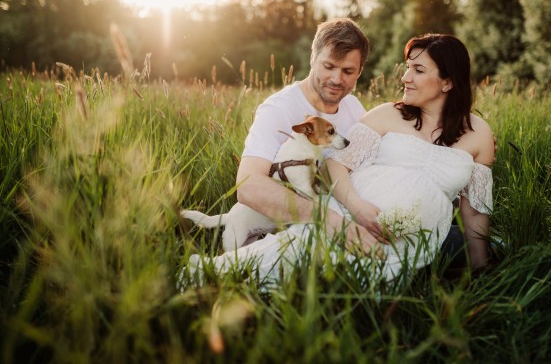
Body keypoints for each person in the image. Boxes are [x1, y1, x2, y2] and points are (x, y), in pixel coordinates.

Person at [182, 34, 494, 285]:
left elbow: (475, 211)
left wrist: (481, 270)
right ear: (313, 60)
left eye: (418, 70)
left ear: (448, 82)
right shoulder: (384, 114)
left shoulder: (477, 134)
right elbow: (259, 184)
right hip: (342, 217)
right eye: (329, 66)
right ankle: (234, 267)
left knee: (475, 249)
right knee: (299, 265)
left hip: (420, 232)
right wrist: (349, 216)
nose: (405, 77)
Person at [234, 17, 379, 252]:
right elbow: (247, 186)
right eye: (329, 66)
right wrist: (326, 217)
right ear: (313, 59)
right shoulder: (279, 109)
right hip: (282, 230)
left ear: (360, 71)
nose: (336, 79)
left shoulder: (354, 108)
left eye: (348, 71)